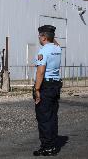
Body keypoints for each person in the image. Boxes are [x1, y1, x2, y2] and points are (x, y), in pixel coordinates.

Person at [33, 25, 62, 156]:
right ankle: (53, 144)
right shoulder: (57, 49)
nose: (39, 38)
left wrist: (37, 89)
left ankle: (47, 147)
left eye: (40, 36)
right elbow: (55, 43)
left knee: (44, 117)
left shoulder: (43, 51)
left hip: (45, 85)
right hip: (55, 85)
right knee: (52, 116)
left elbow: (40, 72)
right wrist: (52, 36)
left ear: (44, 37)